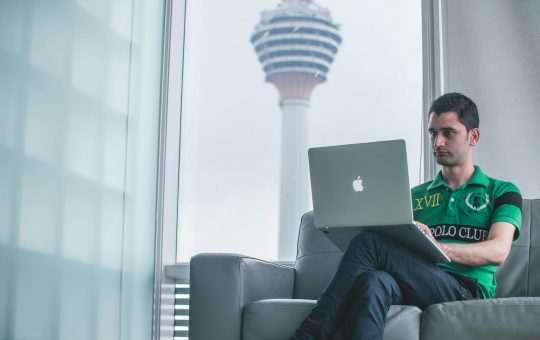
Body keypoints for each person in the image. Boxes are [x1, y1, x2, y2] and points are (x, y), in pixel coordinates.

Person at [290, 92, 523, 340]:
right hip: (415, 283)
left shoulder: (502, 191)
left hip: (467, 290)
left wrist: (437, 246)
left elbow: (498, 251)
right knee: (373, 281)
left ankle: (309, 335)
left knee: (368, 245)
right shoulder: (414, 196)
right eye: (433, 133)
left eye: (448, 133)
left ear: (473, 136)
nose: (437, 143)